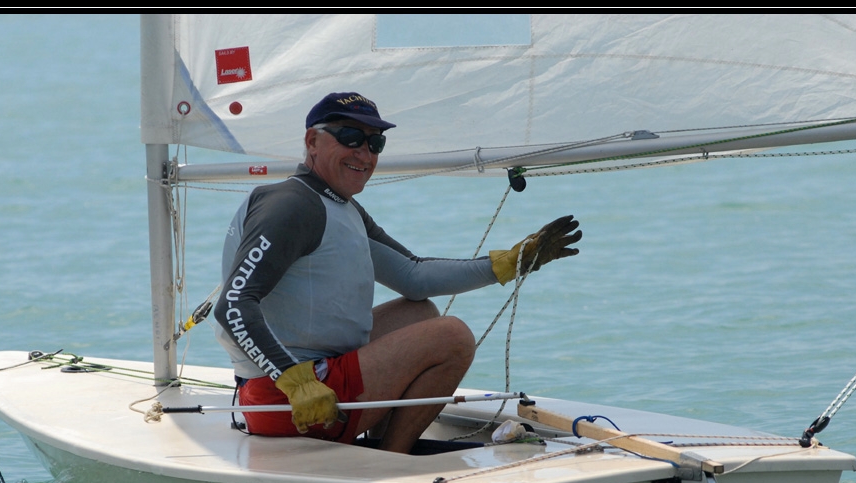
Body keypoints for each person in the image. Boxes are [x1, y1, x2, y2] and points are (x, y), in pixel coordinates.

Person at [214, 92, 582, 454]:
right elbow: (232, 305)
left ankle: (379, 447)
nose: (364, 153)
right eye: (350, 138)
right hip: (288, 401)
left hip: (312, 380)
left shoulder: (339, 207)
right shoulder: (292, 206)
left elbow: (413, 277)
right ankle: (393, 458)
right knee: (452, 336)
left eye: (376, 143)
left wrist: (511, 263)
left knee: (418, 312)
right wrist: (294, 382)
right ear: (312, 141)